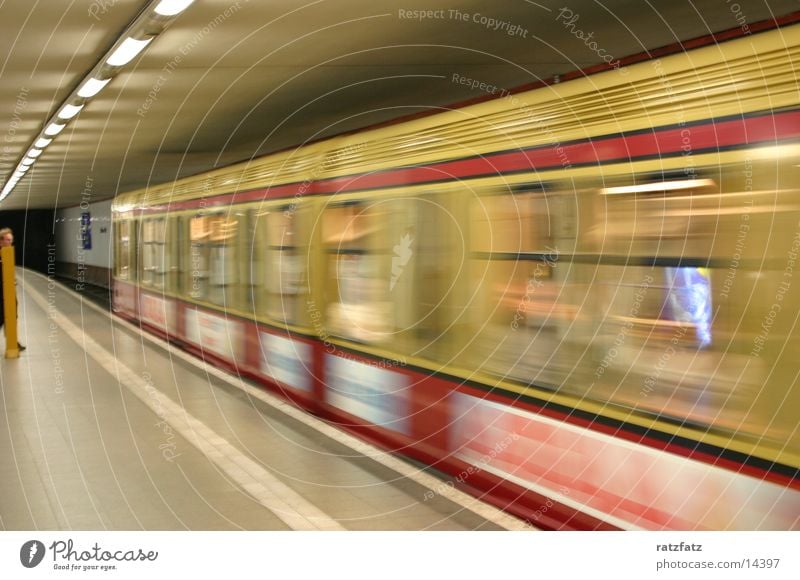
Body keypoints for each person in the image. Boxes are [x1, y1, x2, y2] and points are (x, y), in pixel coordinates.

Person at [0, 227, 25, 351]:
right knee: (4, 317)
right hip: (2, 293)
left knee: (11, 317)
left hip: (8, 292)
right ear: (1, 241)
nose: (10, 243)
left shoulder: (7, 254)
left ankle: (13, 342)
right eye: (8, 240)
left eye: (11, 240)